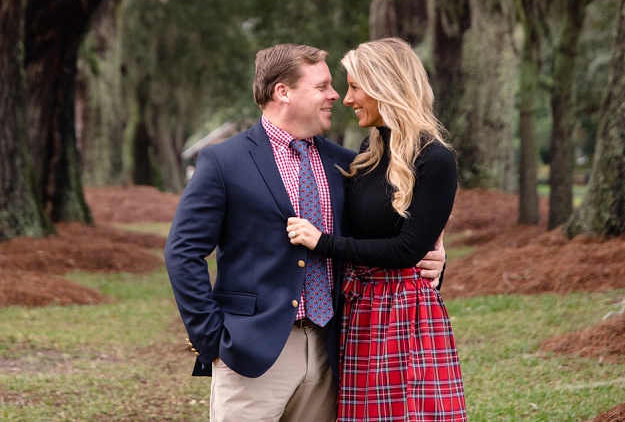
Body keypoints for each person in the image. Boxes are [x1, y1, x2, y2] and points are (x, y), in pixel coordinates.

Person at [164, 43, 446, 422]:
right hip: (254, 351)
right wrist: (211, 338)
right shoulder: (224, 161)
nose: (336, 96)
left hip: (334, 350)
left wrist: (434, 259)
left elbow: (387, 232)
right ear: (283, 91)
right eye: (322, 86)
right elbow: (183, 252)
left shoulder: (348, 163)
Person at [287, 37, 467, 421]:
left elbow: (407, 250)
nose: (347, 99)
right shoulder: (366, 158)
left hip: (404, 316)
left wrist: (323, 243)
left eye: (354, 87)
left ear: (385, 85)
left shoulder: (434, 159)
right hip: (359, 311)